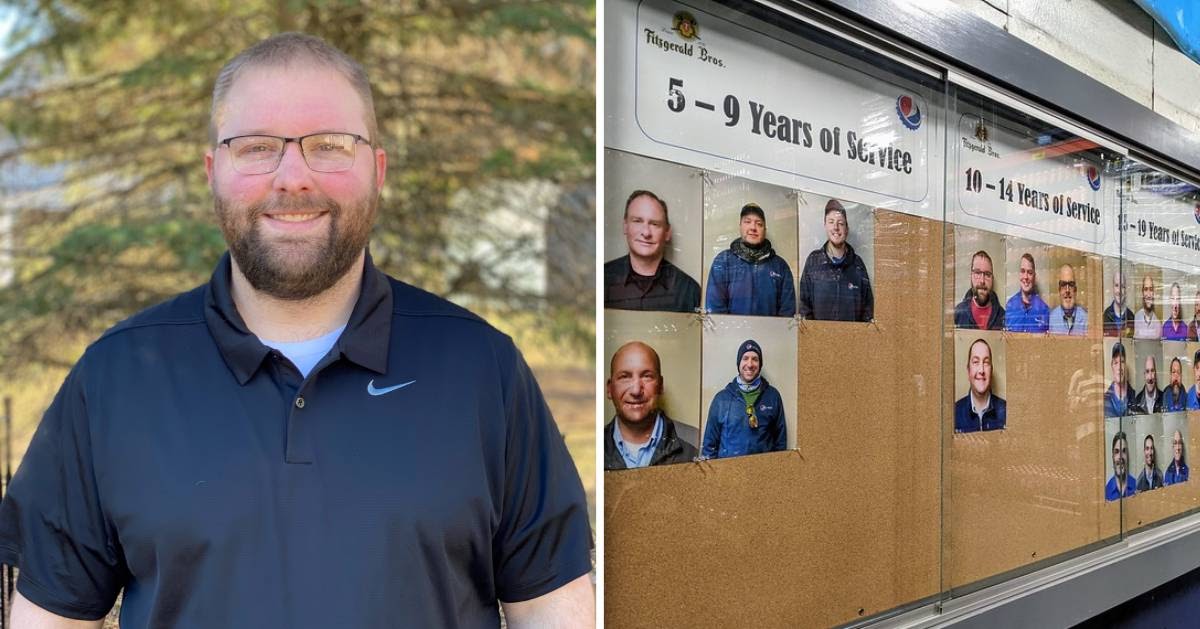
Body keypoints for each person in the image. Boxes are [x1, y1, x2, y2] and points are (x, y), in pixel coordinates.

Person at [0, 34, 593, 628]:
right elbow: (52, 619)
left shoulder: (482, 369)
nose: (293, 178)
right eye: (256, 147)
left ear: (377, 170)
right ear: (212, 171)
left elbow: (551, 609)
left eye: (329, 146)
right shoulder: (115, 377)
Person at [603, 341, 698, 470]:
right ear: (609, 389)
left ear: (660, 385)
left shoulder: (697, 444)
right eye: (625, 377)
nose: (636, 390)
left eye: (647, 376)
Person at [604, 190, 701, 313]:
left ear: (667, 233)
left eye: (655, 224)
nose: (646, 233)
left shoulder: (688, 289)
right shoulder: (602, 278)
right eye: (637, 221)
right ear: (625, 226)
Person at [705, 203, 797, 316]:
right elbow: (715, 309)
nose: (753, 227)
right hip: (732, 328)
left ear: (765, 229)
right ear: (740, 226)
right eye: (747, 222)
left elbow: (787, 312)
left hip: (771, 328)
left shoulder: (780, 267)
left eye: (759, 224)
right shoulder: (723, 261)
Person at [701, 340, 787, 458]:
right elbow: (709, 446)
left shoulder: (773, 396)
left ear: (760, 364)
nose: (750, 364)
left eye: (755, 359)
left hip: (763, 468)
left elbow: (780, 443)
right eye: (745, 358)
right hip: (729, 469)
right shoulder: (721, 399)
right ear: (739, 363)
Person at [797, 199, 874, 321]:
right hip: (819, 334)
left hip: (851, 334)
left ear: (847, 229)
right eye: (831, 222)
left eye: (841, 223)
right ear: (825, 226)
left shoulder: (857, 265)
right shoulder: (813, 261)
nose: (836, 227)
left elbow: (868, 310)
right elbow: (804, 307)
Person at [954, 338, 1007, 432]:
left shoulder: (1007, 410)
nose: (981, 370)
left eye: (986, 362)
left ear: (991, 371)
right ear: (968, 371)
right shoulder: (954, 413)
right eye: (976, 362)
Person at [954, 250, 1005, 330]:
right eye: (977, 273)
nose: (982, 281)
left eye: (987, 274)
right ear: (971, 276)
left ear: (992, 279)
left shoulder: (1003, 317)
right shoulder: (958, 313)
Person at [1005, 253, 1049, 333]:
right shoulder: (1010, 306)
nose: (1025, 277)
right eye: (1023, 271)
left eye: (1030, 272)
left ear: (1034, 276)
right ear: (1019, 274)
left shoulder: (1044, 310)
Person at [1048, 263, 1087, 335]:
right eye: (1063, 285)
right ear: (1059, 290)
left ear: (1075, 290)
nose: (1067, 290)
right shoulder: (1051, 319)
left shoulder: (1086, 319)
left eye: (1071, 285)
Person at [1105, 342, 1138, 417]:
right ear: (1112, 366)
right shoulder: (1105, 399)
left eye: (1122, 362)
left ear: (1125, 365)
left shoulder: (1135, 397)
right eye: (1116, 363)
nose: (1119, 367)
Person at [1106, 431, 1137, 500]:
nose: (1120, 456)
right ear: (1112, 456)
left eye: (1124, 451)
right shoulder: (1106, 492)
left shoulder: (1136, 486)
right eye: (1117, 452)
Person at [1103, 271, 1135, 337]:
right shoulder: (1105, 316)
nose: (1119, 291)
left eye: (1122, 286)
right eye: (1116, 285)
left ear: (1126, 290)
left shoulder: (1131, 317)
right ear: (1113, 288)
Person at [1134, 275, 1161, 339]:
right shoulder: (1135, 319)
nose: (1148, 295)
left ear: (1154, 293)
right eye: (1146, 289)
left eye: (1151, 289)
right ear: (1142, 293)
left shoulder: (1158, 324)